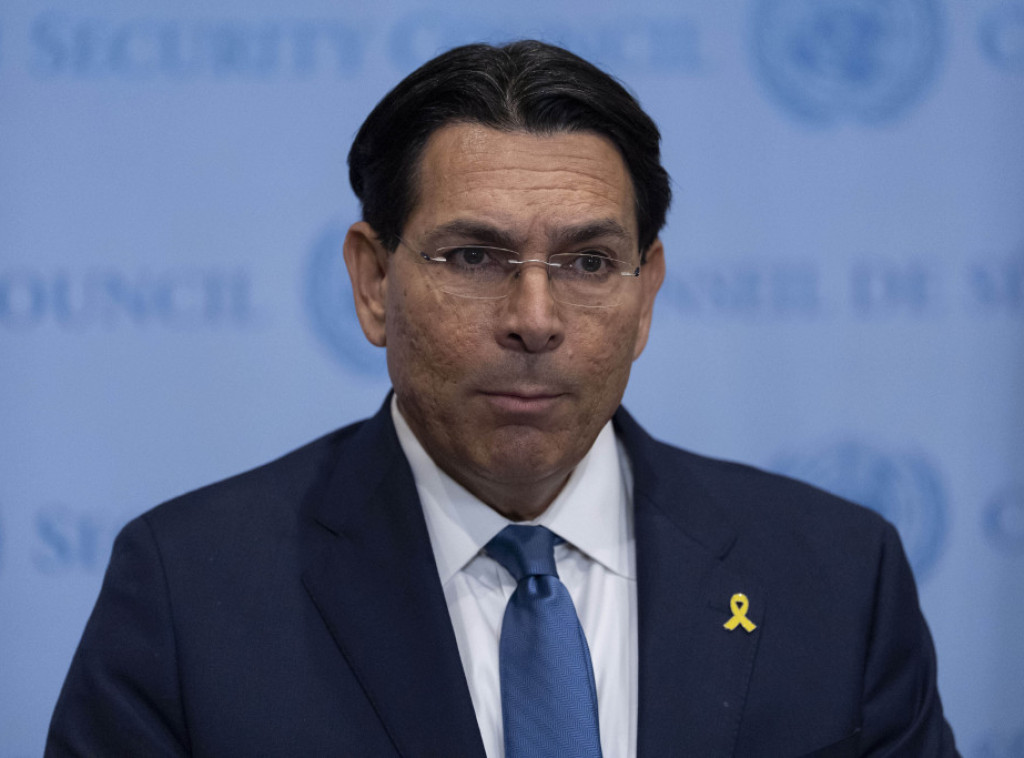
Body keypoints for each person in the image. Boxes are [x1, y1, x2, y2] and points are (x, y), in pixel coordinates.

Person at [46, 40, 958, 757]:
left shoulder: (836, 578)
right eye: (474, 257)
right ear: (372, 283)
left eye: (589, 262)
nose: (534, 319)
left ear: (646, 295)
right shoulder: (190, 592)